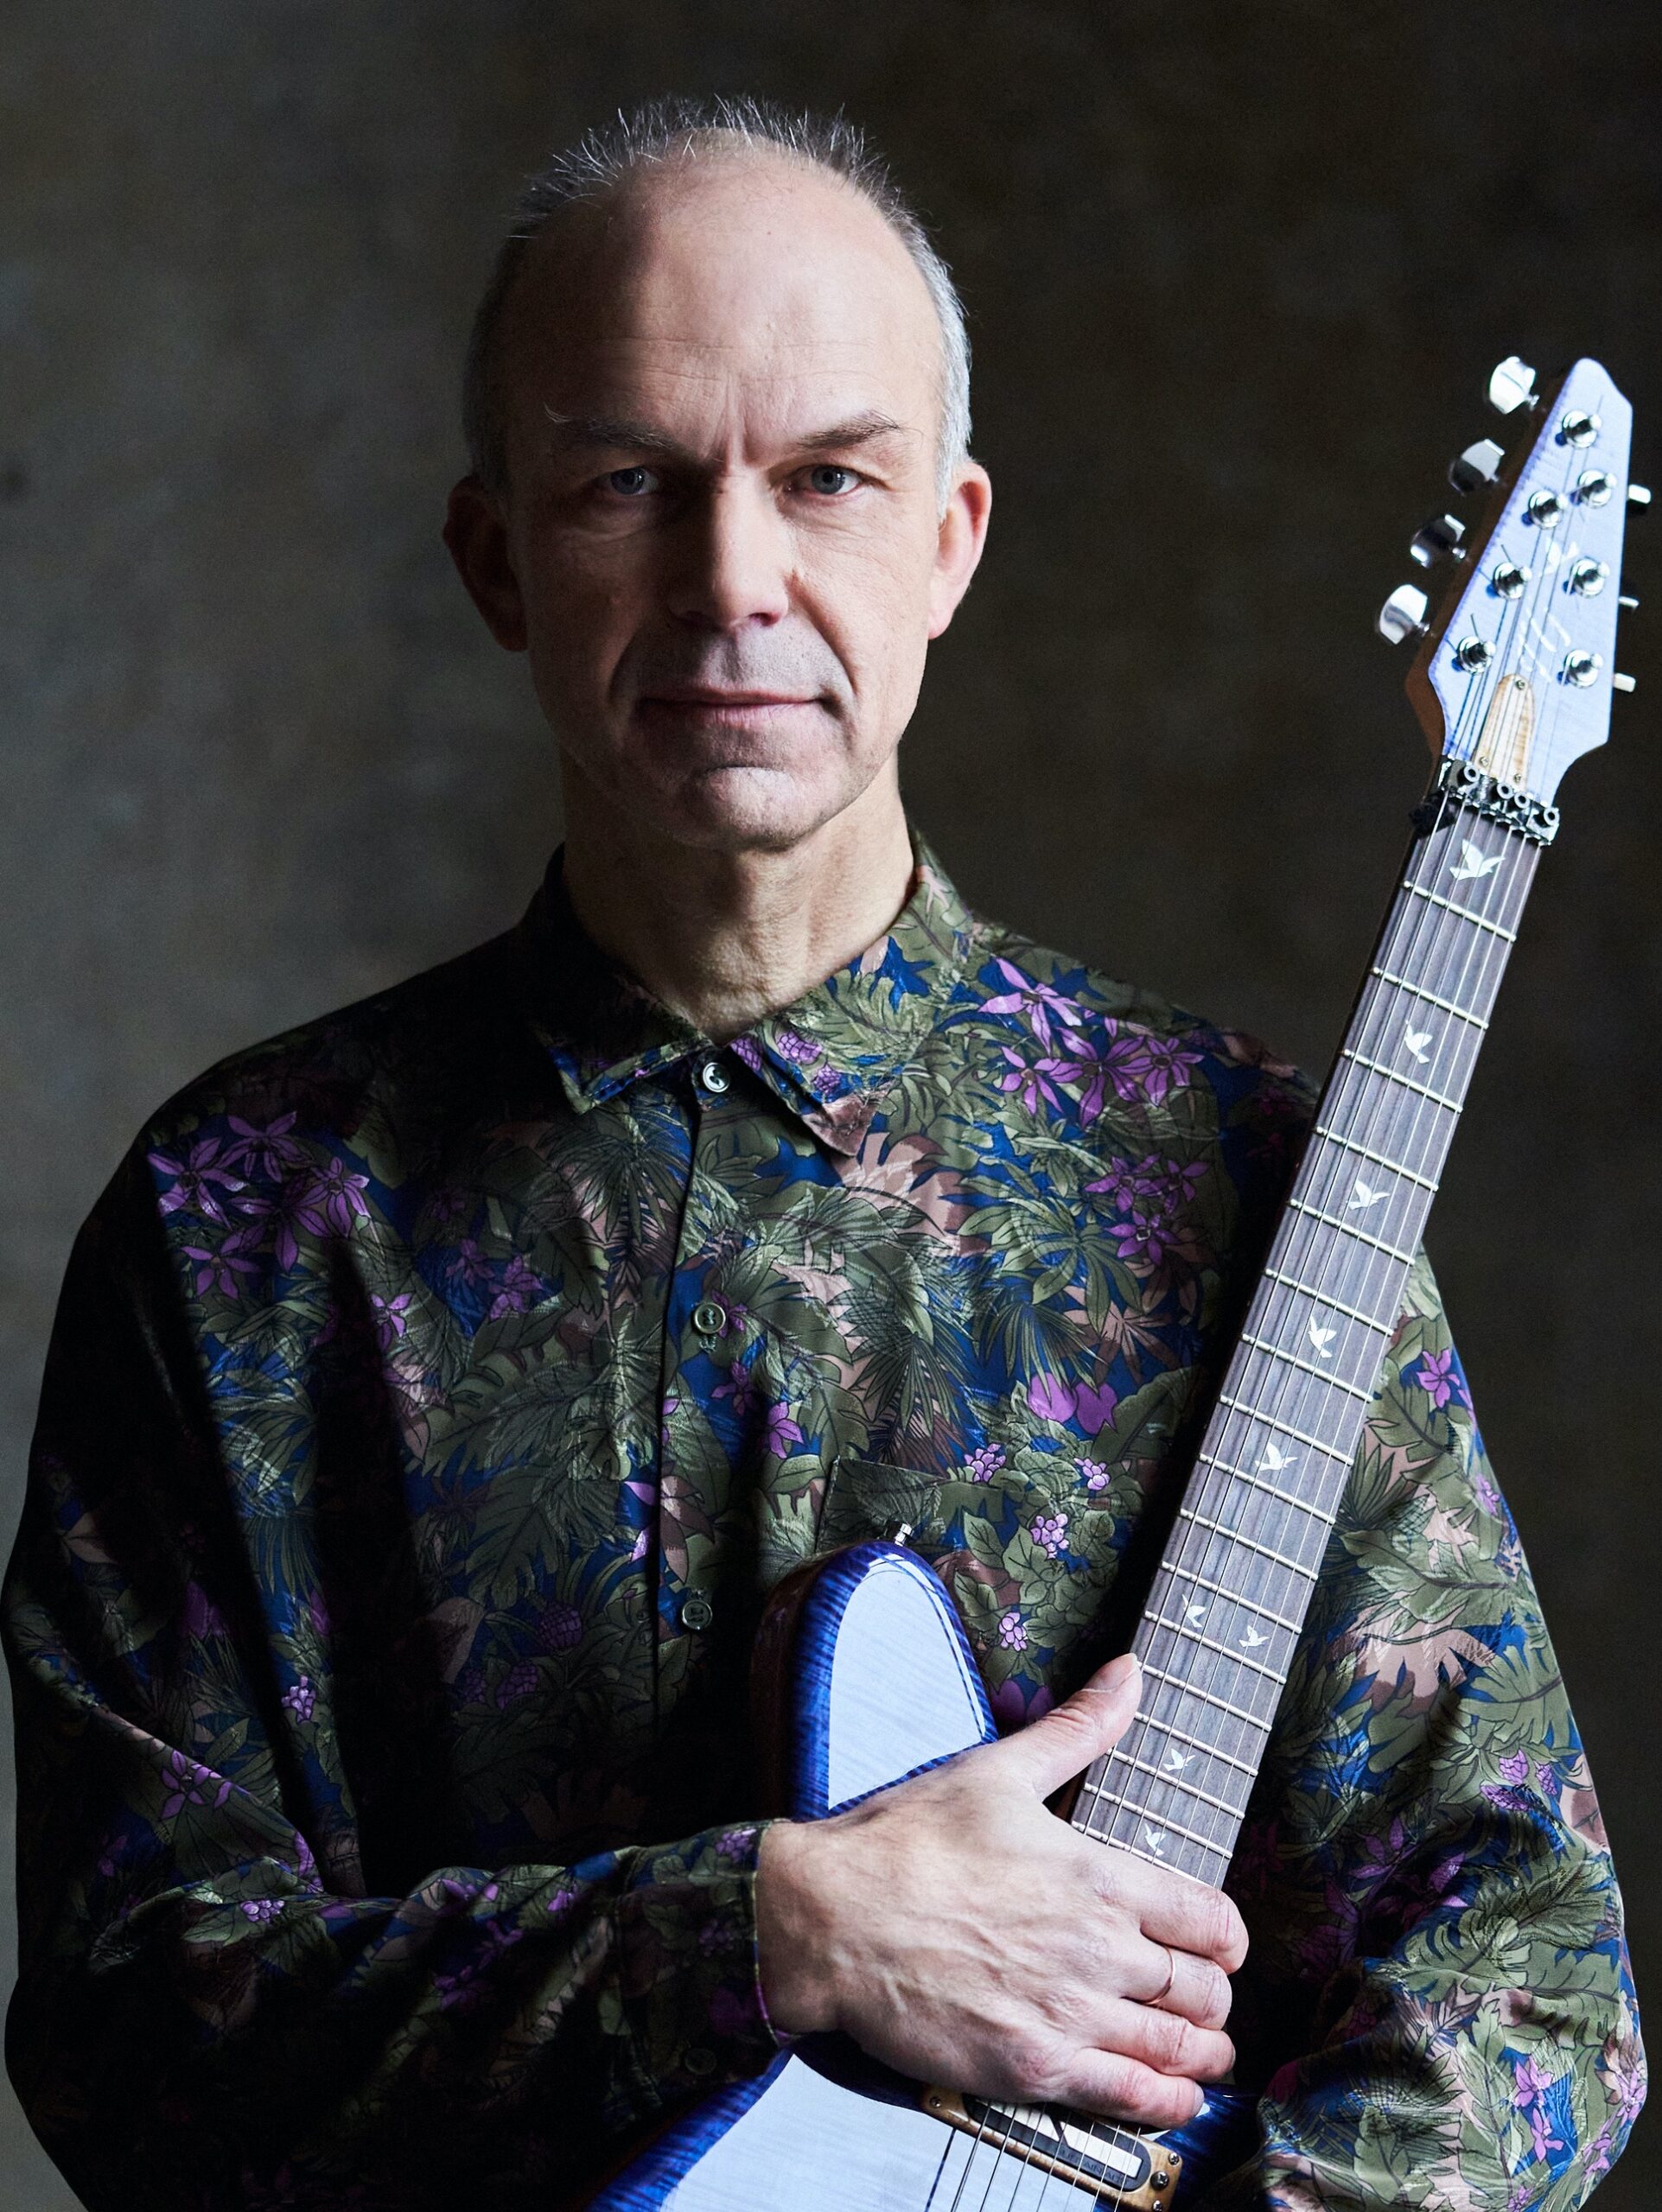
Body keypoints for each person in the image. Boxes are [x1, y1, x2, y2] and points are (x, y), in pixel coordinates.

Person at [3, 97, 1642, 2211]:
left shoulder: (1232, 1175)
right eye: (628, 483)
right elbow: (137, 2021)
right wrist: (765, 1932)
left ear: (948, 540)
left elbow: (1521, 1975)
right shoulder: (243, 1222)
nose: (733, 579)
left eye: (827, 479)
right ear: (495, 554)